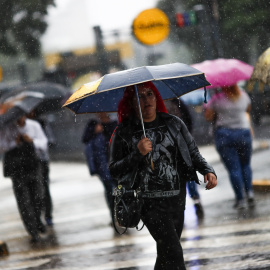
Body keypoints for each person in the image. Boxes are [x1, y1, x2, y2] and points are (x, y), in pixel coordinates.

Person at [109, 82, 217, 269]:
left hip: (176, 198)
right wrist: (137, 154)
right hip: (148, 203)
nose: (146, 100)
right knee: (174, 251)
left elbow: (193, 152)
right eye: (140, 96)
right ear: (132, 102)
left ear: (156, 97)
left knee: (166, 252)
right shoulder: (123, 132)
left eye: (150, 94)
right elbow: (114, 170)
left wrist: (208, 170)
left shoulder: (174, 124)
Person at [204, 84, 254, 209]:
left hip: (224, 135)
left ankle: (240, 199)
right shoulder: (243, 96)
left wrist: (212, 108)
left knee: (234, 169)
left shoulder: (216, 99)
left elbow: (208, 117)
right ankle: (249, 193)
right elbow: (247, 109)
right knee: (246, 165)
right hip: (243, 132)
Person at [0, 115, 48, 243]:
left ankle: (38, 220)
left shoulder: (34, 125)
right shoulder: (7, 128)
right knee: (24, 202)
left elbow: (44, 144)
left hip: (33, 165)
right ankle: (32, 231)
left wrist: (31, 141)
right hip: (17, 169)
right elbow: (2, 146)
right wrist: (14, 143)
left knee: (39, 196)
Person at [165, 98, 204, 219]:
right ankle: (195, 199)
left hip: (166, 145)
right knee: (188, 172)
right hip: (181, 142)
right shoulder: (176, 101)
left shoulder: (155, 104)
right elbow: (188, 120)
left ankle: (177, 205)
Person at [82, 113, 117, 225]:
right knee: (109, 191)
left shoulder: (115, 124)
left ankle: (123, 213)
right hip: (102, 165)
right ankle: (113, 216)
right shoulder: (93, 124)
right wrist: (94, 131)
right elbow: (85, 139)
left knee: (119, 190)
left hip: (116, 163)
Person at [28, 111, 54, 227]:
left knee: (44, 188)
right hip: (27, 163)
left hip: (41, 161)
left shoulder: (41, 123)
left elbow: (50, 141)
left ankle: (48, 215)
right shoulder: (18, 126)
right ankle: (37, 217)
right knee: (33, 192)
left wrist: (35, 142)